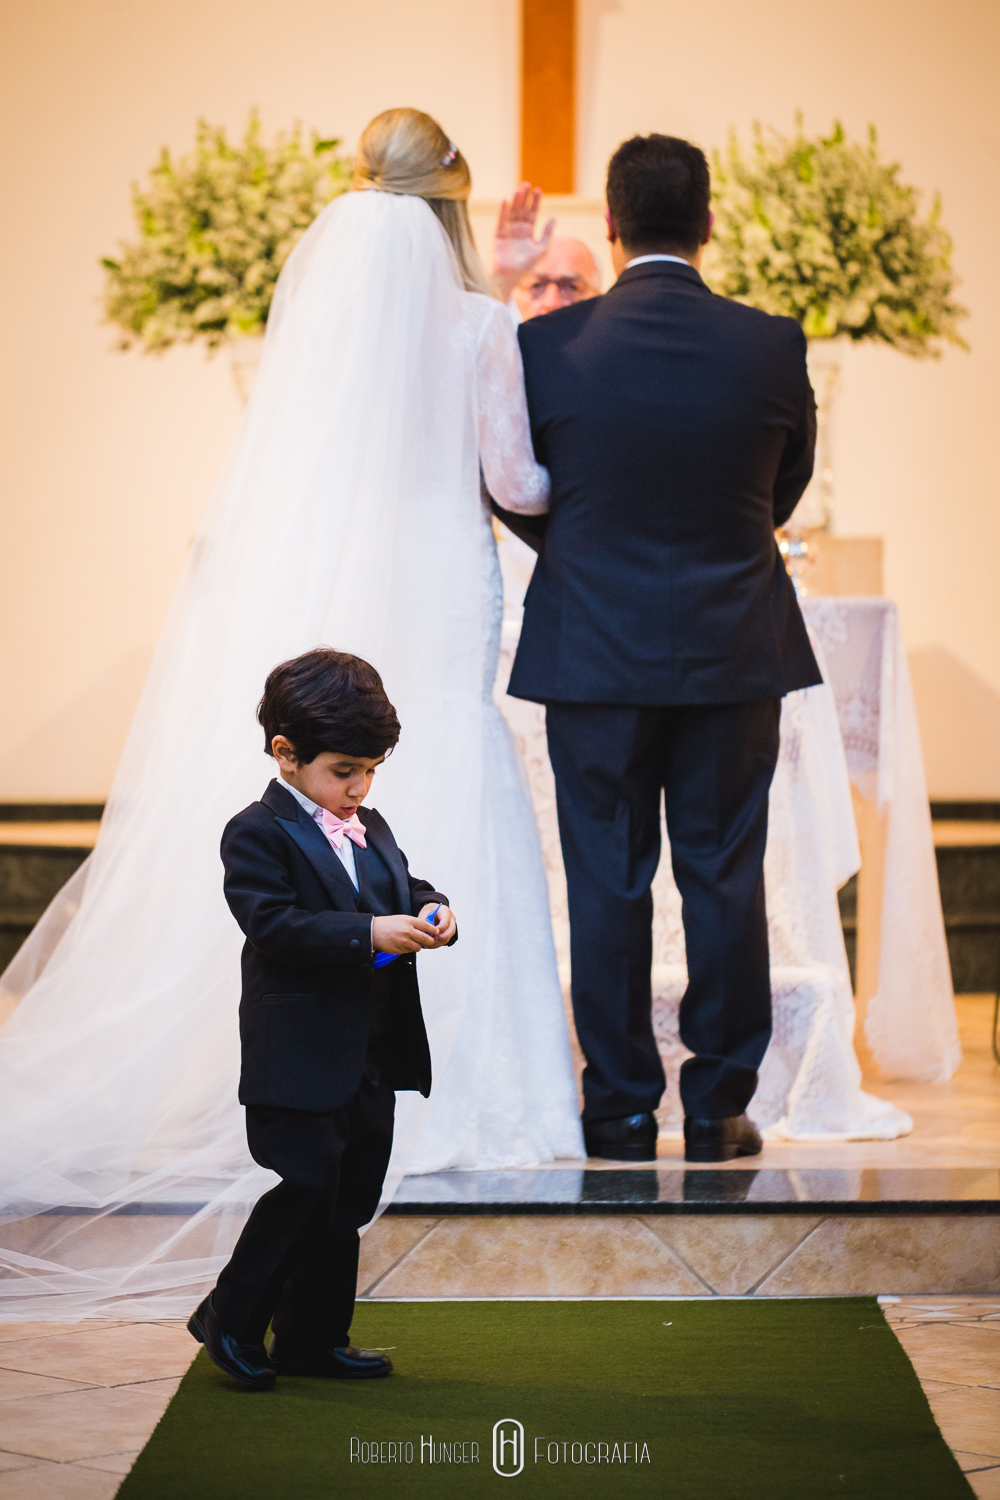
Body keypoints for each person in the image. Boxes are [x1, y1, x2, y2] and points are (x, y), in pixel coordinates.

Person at [0, 107, 582, 1322]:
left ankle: (305, 1074)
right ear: (452, 208)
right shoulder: (480, 327)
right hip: (445, 570)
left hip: (353, 579)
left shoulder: (320, 319)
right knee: (457, 772)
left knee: (352, 796)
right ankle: (483, 1092)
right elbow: (517, 480)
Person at [497, 134, 821, 1164]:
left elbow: (522, 488)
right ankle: (720, 1107)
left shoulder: (548, 346)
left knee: (606, 877)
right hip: (734, 643)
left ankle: (622, 1107)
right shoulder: (770, 344)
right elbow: (782, 489)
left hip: (593, 647)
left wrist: (587, 553)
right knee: (724, 873)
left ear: (614, 225)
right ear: (709, 221)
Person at [189, 649, 455, 1389]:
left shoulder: (368, 822)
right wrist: (367, 934)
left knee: (349, 1198)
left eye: (371, 770)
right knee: (303, 1187)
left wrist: (434, 908)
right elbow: (272, 923)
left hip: (369, 1051)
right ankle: (230, 1317)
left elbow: (400, 881)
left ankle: (311, 1337)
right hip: (299, 1054)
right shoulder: (256, 832)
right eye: (344, 770)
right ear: (286, 753)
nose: (359, 787)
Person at [491, 185, 602, 318]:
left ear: (598, 297)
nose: (551, 304)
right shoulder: (502, 334)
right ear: (516, 295)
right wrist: (504, 280)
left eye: (571, 287)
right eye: (536, 286)